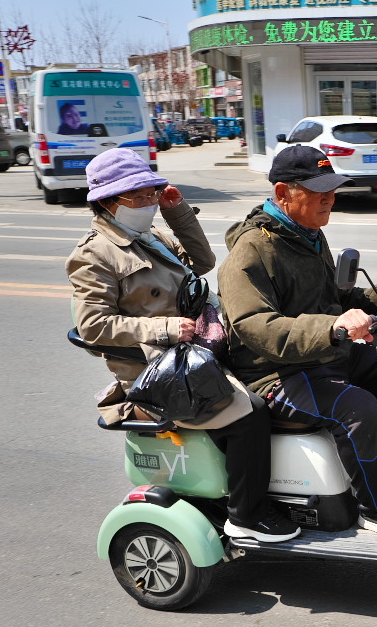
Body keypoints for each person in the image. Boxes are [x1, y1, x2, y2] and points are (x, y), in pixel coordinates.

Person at [66, 148, 298, 543]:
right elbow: (93, 326)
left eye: (152, 193)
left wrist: (178, 212)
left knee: (283, 369)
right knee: (252, 413)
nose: (148, 202)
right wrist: (165, 328)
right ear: (108, 202)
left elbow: (202, 262)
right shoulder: (94, 255)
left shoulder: (152, 236)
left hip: (199, 350)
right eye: (138, 196)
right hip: (161, 371)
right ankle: (247, 513)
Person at [218, 145, 377, 543]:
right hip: (276, 372)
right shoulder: (251, 251)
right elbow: (255, 326)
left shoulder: (308, 235)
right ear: (283, 193)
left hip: (325, 353)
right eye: (318, 191)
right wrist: (333, 328)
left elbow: (334, 297)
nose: (329, 198)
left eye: (332, 189)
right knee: (358, 410)